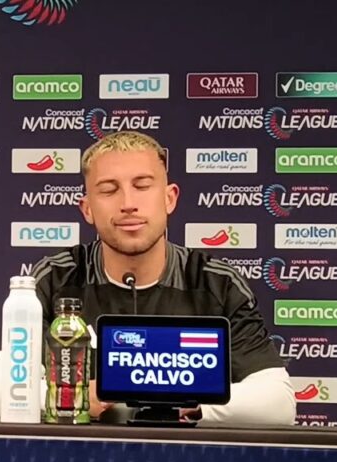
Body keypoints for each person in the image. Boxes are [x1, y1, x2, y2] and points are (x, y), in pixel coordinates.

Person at [30, 131, 295, 425]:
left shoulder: (217, 284)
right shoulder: (53, 279)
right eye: (108, 190)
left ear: (169, 199)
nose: (128, 203)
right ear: (87, 208)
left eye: (142, 186)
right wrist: (73, 396)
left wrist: (183, 401)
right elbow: (1, 387)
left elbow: (279, 404)